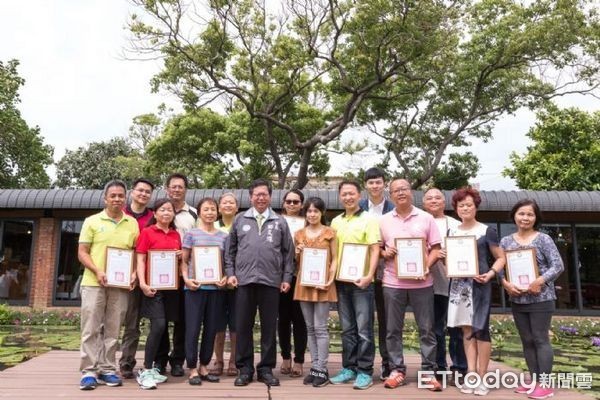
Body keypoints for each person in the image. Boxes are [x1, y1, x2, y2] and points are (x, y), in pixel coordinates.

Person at [225, 178, 294, 387]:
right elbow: (230, 251)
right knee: (243, 327)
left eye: (264, 194)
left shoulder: (280, 221)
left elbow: (288, 253)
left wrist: (286, 278)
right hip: (244, 282)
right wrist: (230, 273)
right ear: (251, 197)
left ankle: (265, 369)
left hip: (271, 282)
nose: (261, 198)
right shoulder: (240, 219)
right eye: (257, 194)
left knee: (268, 327)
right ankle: (244, 369)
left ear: (270, 197)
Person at [378, 178, 442, 391]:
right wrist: (385, 252)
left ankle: (428, 372)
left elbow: (435, 248)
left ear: (411, 192)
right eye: (396, 190)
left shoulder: (426, 218)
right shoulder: (384, 220)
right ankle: (397, 370)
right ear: (391, 195)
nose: (400, 193)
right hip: (392, 282)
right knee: (392, 329)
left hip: (422, 282)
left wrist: (427, 265)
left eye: (404, 189)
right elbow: (377, 249)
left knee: (427, 329)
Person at [77, 180, 139, 390]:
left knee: (113, 328)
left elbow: (135, 253)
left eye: (121, 196)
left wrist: (133, 274)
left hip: (119, 285)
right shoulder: (92, 221)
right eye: (113, 195)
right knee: (91, 328)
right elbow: (82, 252)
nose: (117, 199)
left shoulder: (132, 223)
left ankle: (108, 369)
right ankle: (88, 372)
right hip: (94, 282)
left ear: (125, 198)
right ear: (105, 198)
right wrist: (98, 271)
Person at [500, 199, 564, 399]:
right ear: (514, 216)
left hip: (541, 298)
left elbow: (558, 265)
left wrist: (540, 281)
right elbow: (501, 270)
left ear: (536, 218)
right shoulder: (506, 241)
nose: (525, 218)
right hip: (518, 299)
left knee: (540, 338)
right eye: (521, 213)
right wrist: (506, 284)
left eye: (530, 214)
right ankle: (534, 381)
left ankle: (545, 385)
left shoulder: (543, 239)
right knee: (526, 340)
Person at [446, 187, 505, 396]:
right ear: (456, 209)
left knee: (481, 329)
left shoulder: (486, 230)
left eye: (469, 205)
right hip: (458, 287)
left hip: (480, 285)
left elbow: (500, 257)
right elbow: (450, 260)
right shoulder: (452, 231)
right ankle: (470, 374)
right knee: (466, 330)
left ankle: (482, 377)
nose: (465, 208)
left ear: (476, 207)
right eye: (461, 205)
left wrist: (490, 274)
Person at [329, 180, 380, 390]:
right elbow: (331, 254)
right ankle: (348, 368)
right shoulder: (335, 222)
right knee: (347, 329)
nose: (348, 197)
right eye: (344, 194)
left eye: (351, 193)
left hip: (362, 283)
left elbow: (375, 249)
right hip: (342, 282)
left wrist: (369, 276)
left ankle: (365, 371)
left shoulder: (369, 219)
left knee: (364, 330)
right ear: (340, 197)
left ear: (359, 195)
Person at [135, 198, 182, 390]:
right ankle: (146, 369)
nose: (166, 213)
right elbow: (140, 261)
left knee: (165, 326)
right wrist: (143, 284)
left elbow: (178, 262)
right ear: (155, 213)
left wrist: (180, 256)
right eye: (162, 210)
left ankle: (155, 369)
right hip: (152, 288)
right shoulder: (147, 232)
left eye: (169, 210)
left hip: (171, 289)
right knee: (158, 325)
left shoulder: (176, 234)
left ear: (173, 214)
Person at [181, 198, 228, 385]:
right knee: (192, 328)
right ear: (199, 212)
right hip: (195, 288)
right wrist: (186, 279)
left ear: (217, 213)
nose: (210, 212)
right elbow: (184, 261)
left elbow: (226, 262)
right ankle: (192, 368)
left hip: (216, 289)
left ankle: (204, 366)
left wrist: (225, 277)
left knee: (211, 329)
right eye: (206, 209)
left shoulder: (224, 236)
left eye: (213, 209)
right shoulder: (191, 234)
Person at [422, 187, 467, 384]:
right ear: (423, 203)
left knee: (456, 329)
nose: (433, 200)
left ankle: (460, 368)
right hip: (428, 286)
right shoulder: (419, 223)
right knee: (434, 330)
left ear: (445, 202)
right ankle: (439, 367)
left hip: (454, 285)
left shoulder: (457, 225)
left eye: (437, 197)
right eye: (429, 198)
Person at [293, 197, 338, 387]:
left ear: (322, 213)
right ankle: (314, 367)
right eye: (309, 211)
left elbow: (335, 258)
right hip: (304, 284)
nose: (312, 214)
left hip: (322, 285)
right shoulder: (299, 234)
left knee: (320, 328)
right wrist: (297, 250)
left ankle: (322, 368)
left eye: (316, 211)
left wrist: (330, 279)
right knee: (309, 328)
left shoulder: (330, 233)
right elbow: (297, 262)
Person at [157, 173, 197, 377]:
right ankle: (160, 359)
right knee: (161, 320)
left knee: (182, 320)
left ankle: (178, 360)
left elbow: (200, 241)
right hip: (160, 275)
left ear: (185, 190)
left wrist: (187, 253)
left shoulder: (194, 214)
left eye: (180, 187)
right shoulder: (157, 212)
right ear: (167, 189)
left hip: (185, 275)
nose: (176, 190)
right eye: (173, 187)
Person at [358, 167, 394, 380]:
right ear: (365, 185)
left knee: (387, 321)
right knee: (364, 322)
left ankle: (388, 364)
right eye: (370, 183)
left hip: (388, 274)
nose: (374, 186)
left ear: (384, 184)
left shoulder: (394, 208)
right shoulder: (358, 208)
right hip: (362, 273)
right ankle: (364, 366)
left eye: (378, 182)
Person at [119, 178, 155, 379]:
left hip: (148, 277)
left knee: (150, 323)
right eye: (140, 190)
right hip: (121, 276)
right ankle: (119, 362)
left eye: (147, 192)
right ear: (133, 192)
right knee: (124, 322)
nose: (143, 194)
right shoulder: (120, 213)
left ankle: (142, 363)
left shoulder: (153, 217)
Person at [210, 192, 240, 377]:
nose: (228, 205)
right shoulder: (210, 225)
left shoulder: (243, 225)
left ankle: (234, 360)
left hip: (238, 282)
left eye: (232, 202)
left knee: (236, 325)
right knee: (217, 325)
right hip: (216, 282)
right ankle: (218, 360)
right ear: (219, 207)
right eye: (224, 202)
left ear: (237, 207)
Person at [279, 189, 308, 378]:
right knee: (282, 319)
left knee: (300, 320)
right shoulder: (275, 221)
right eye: (288, 201)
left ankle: (299, 360)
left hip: (302, 277)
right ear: (283, 203)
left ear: (301, 205)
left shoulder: (308, 222)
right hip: (280, 277)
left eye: (296, 202)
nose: (292, 205)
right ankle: (285, 357)